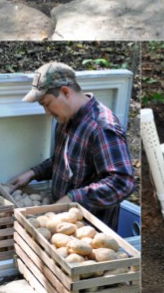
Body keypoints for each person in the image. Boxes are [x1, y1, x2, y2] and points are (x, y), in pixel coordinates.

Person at [7, 62, 134, 230]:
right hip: (61, 225)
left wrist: (74, 198)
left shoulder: (101, 127)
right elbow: (64, 161)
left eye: (46, 103)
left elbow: (122, 182)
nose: (46, 112)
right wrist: (33, 173)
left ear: (65, 92)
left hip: (89, 232)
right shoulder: (66, 118)